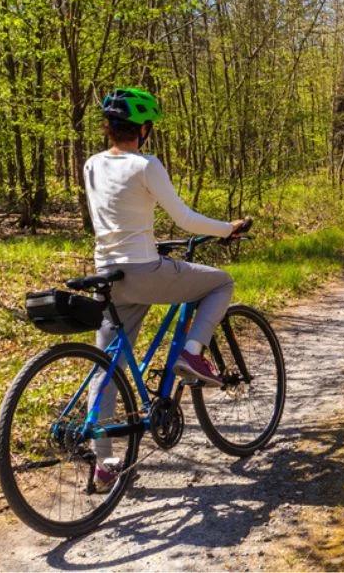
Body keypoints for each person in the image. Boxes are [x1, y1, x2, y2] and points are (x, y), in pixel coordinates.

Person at [84, 87, 242, 483]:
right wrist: (227, 230)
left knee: (108, 367)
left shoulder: (91, 165)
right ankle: (190, 354)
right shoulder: (145, 164)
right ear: (144, 130)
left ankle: (103, 462)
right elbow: (185, 219)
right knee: (221, 283)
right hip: (143, 272)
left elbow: (118, 220)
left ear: (109, 128)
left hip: (107, 274)